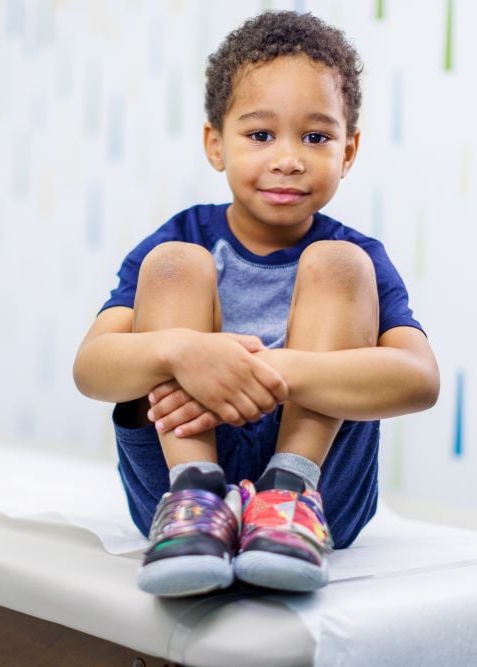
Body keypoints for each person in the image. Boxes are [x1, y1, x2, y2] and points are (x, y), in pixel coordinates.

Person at [73, 10, 439, 597]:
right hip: (175, 489)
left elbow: (419, 380)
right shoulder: (181, 237)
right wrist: (182, 352)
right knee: (175, 263)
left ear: (349, 151)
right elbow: (91, 369)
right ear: (215, 144)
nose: (288, 158)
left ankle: (287, 491)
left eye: (316, 137)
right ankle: (197, 492)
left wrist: (272, 371)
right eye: (261, 134)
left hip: (320, 493)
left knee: (341, 264)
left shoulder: (357, 255)